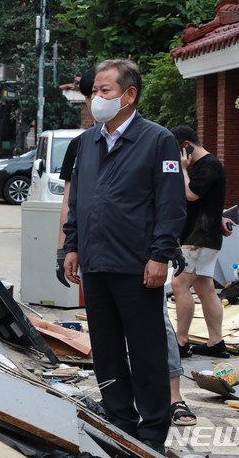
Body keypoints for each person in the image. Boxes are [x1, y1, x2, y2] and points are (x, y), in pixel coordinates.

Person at [54, 69, 197, 427]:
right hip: (95, 262)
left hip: (137, 265)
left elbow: (170, 204)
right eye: (94, 92)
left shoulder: (157, 140)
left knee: (146, 350)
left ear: (129, 95)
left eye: (105, 90)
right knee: (106, 349)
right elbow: (78, 201)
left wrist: (160, 255)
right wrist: (71, 246)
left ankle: (152, 426)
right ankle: (119, 417)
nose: (95, 99)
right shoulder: (87, 142)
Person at [169, 125, 229, 359]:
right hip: (204, 236)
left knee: (179, 284)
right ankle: (216, 342)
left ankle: (181, 342)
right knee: (205, 288)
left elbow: (191, 193)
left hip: (198, 237)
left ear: (186, 147)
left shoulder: (208, 165)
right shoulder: (206, 166)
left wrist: (183, 170)